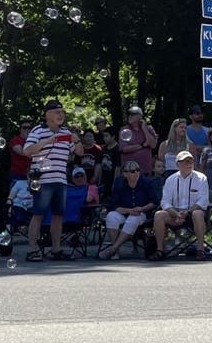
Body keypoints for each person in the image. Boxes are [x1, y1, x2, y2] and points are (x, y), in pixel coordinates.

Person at [22, 99, 83, 262]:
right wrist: (47, 141)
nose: (61, 115)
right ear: (47, 115)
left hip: (61, 180)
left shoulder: (65, 132)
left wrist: (76, 140)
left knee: (58, 215)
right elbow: (27, 151)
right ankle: (32, 250)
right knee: (38, 214)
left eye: (62, 112)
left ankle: (56, 250)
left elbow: (79, 152)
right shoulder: (38, 131)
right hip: (43, 180)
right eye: (57, 112)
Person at [151, 150, 211, 260]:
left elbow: (203, 200)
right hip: (175, 213)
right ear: (177, 164)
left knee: (197, 213)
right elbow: (165, 201)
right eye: (185, 161)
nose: (188, 163)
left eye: (191, 160)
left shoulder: (201, 178)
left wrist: (187, 212)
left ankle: (200, 250)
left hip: (193, 213)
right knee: (159, 214)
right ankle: (160, 250)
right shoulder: (170, 180)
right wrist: (175, 213)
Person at [98, 160, 159, 260]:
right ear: (125, 173)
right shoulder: (119, 183)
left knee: (133, 219)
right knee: (111, 216)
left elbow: (154, 202)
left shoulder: (147, 183)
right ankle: (115, 251)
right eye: (132, 171)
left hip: (141, 213)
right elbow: (114, 205)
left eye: (137, 170)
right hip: (124, 211)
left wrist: (141, 208)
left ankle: (113, 249)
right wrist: (128, 210)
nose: (136, 173)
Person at [118, 106, 157, 176]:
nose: (130, 116)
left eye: (133, 114)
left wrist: (144, 128)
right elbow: (124, 149)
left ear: (140, 116)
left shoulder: (149, 129)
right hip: (128, 170)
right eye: (129, 114)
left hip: (145, 169)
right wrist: (143, 145)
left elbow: (153, 145)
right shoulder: (124, 130)